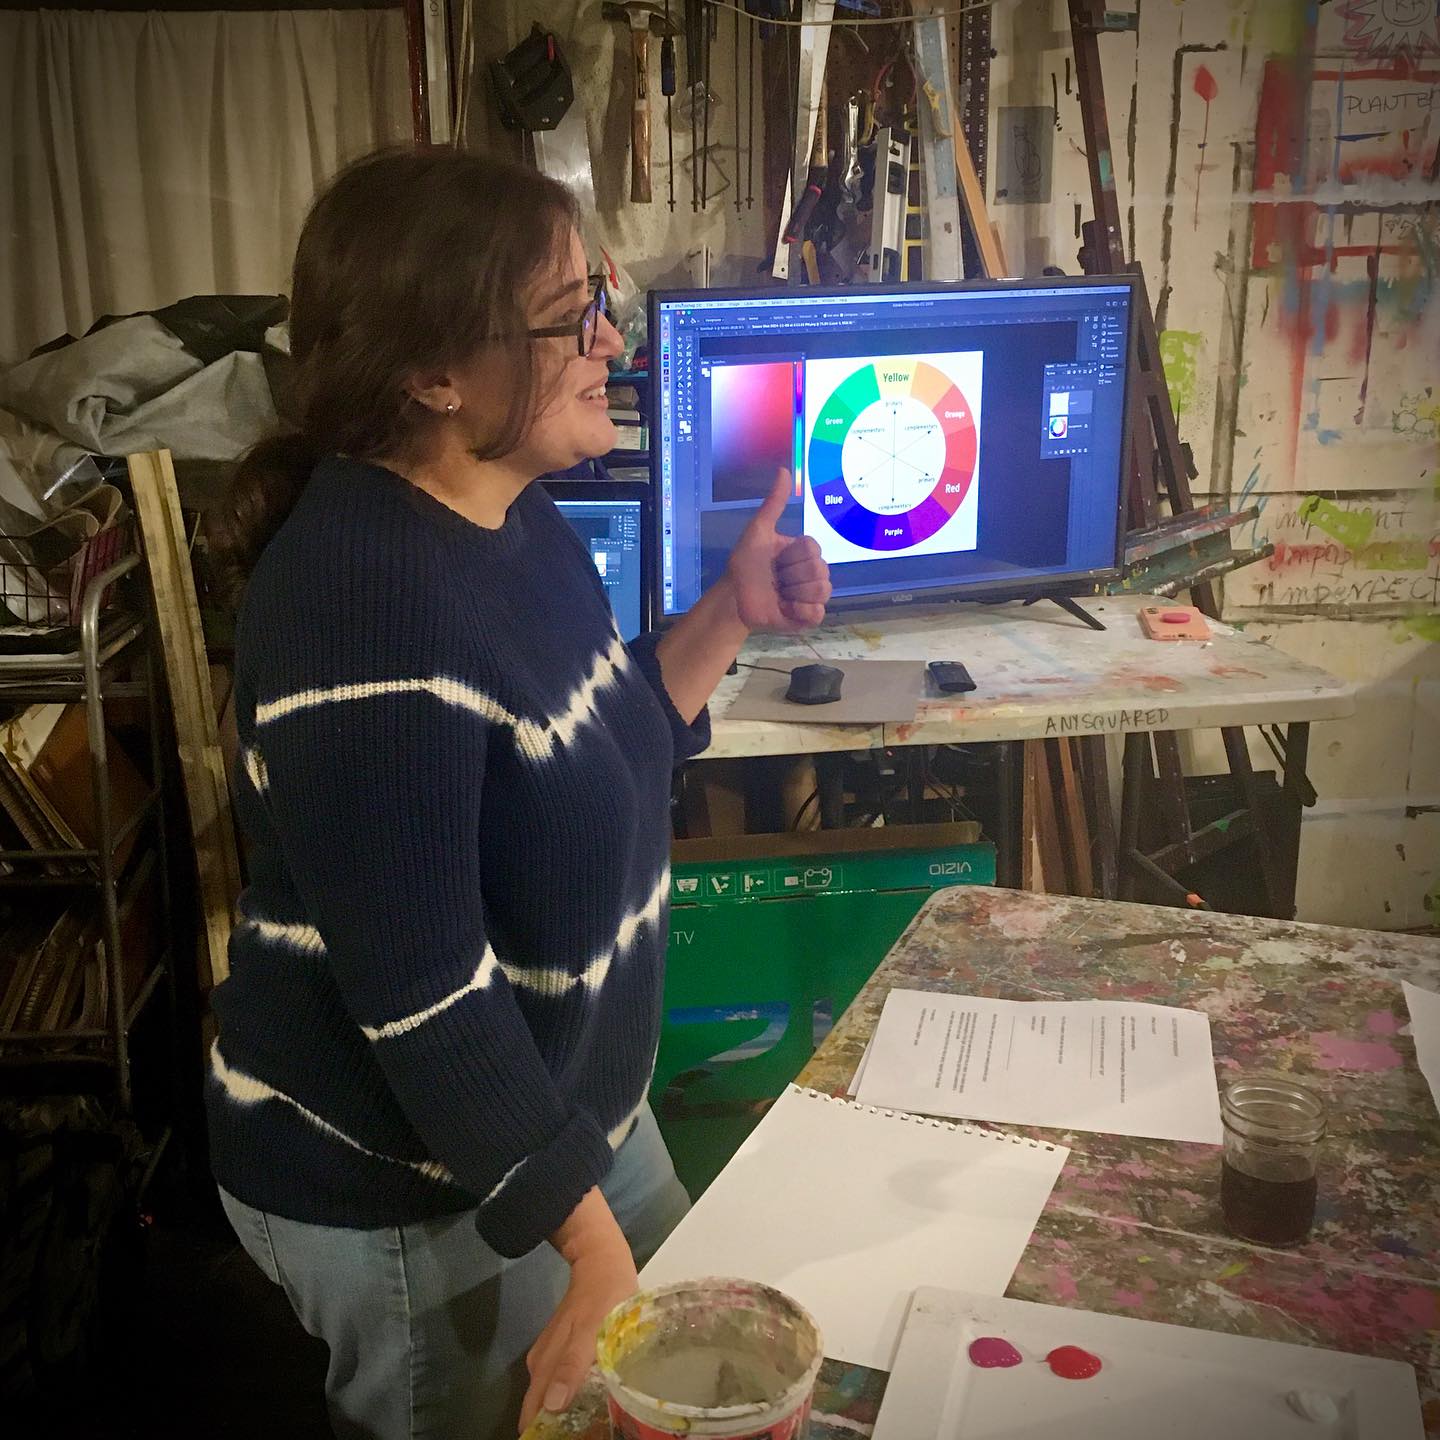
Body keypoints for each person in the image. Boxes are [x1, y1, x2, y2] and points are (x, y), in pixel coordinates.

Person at [203, 147, 831, 1440]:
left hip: (559, 1119)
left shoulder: (507, 514)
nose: (612, 339)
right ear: (434, 374)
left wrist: (731, 611)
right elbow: (424, 996)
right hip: (407, 1185)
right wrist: (589, 1249)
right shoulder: (361, 611)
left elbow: (601, 741)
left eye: (602, 299)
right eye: (570, 317)